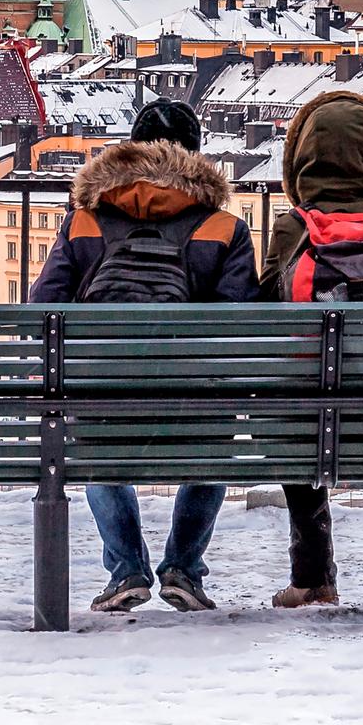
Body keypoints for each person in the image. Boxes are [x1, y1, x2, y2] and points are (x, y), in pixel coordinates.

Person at [31, 99, 258, 613]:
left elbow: (44, 309)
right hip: (193, 409)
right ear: (197, 157)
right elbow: (238, 324)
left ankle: (127, 567)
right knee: (214, 445)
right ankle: (182, 568)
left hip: (104, 404)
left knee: (85, 440)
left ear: (129, 151)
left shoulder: (85, 221)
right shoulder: (223, 229)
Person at [259, 90, 363, 609]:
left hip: (308, 416)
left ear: (302, 159)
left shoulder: (293, 227)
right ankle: (316, 578)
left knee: (293, 419)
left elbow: (268, 311)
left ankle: (312, 578)